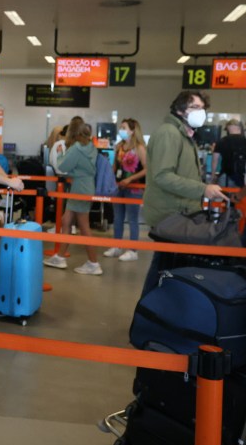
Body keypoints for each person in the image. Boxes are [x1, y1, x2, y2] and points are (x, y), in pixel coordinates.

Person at [142, 90, 228, 294]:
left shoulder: (183, 135)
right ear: (180, 110)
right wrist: (203, 189)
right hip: (170, 214)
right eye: (195, 108)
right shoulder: (169, 133)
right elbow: (163, 176)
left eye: (202, 108)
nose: (201, 112)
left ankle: (157, 313)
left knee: (168, 268)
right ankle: (151, 313)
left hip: (180, 212)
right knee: (164, 269)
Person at [43, 119, 102, 275]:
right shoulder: (90, 146)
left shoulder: (76, 148)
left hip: (79, 189)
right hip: (85, 186)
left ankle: (94, 263)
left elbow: (62, 166)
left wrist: (61, 152)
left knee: (84, 226)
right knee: (66, 221)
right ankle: (60, 257)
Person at [103, 118, 146, 261]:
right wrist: (110, 180)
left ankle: (133, 250)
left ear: (132, 130)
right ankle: (116, 246)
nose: (121, 130)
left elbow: (147, 169)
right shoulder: (119, 146)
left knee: (132, 219)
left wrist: (130, 179)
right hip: (118, 186)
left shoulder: (139, 148)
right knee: (118, 218)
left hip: (134, 188)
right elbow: (115, 166)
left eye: (124, 127)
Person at [212, 118, 246, 187]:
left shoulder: (221, 141)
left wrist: (213, 176)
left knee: (225, 196)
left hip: (225, 176)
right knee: (241, 197)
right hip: (243, 177)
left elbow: (215, 160)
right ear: (240, 128)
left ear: (228, 128)